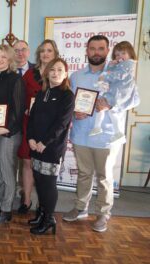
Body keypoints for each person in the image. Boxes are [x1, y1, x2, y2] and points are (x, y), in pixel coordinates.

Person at [63, 35, 140, 232]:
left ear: (107, 51)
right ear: (86, 51)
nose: (96, 52)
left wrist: (112, 104)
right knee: (84, 174)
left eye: (101, 48)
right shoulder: (76, 76)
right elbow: (69, 101)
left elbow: (134, 100)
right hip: (81, 133)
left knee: (105, 178)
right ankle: (80, 208)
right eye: (92, 48)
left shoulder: (118, 72)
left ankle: (103, 214)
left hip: (106, 136)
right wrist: (74, 111)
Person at [27, 58, 75, 235]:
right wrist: (31, 138)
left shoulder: (67, 95)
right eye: (52, 69)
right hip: (36, 146)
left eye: (59, 70)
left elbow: (61, 124)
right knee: (39, 181)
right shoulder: (42, 93)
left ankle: (48, 219)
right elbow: (32, 118)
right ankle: (41, 214)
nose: (55, 73)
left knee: (48, 184)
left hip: (52, 147)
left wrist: (44, 142)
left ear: (65, 74)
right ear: (47, 73)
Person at [17, 39, 59, 214]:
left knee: (44, 168)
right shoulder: (29, 74)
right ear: (38, 54)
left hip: (49, 128)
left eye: (49, 50)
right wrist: (24, 108)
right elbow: (19, 97)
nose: (45, 54)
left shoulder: (59, 73)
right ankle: (26, 200)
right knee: (27, 162)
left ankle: (44, 205)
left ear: (54, 53)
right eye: (42, 51)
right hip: (30, 125)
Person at [0, 45, 25, 224]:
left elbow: (19, 109)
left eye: (3, 56)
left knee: (7, 172)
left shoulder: (16, 80)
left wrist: (7, 128)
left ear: (10, 60)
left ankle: (6, 209)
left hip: (9, 133)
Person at [89, 41, 137, 144]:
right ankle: (115, 132)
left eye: (123, 53)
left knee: (107, 108)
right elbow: (113, 74)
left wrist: (105, 75)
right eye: (117, 55)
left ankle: (100, 127)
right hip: (114, 92)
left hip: (119, 93)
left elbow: (119, 75)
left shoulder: (129, 64)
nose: (120, 56)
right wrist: (111, 66)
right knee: (107, 109)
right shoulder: (120, 65)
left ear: (130, 54)